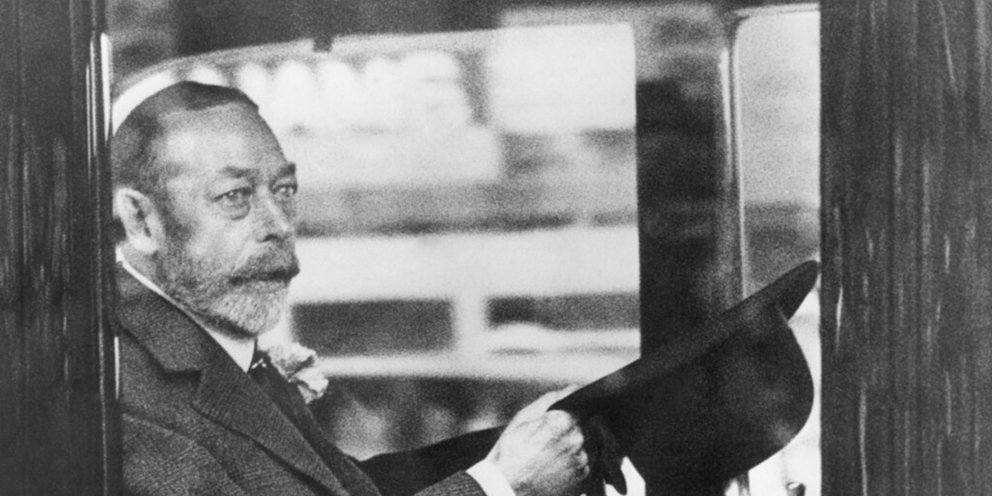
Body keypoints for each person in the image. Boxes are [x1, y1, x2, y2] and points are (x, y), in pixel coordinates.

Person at [111, 81, 592, 496]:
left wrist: (519, 443)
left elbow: (343, 486)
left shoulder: (204, 352)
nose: (278, 224)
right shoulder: (120, 396)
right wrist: (501, 482)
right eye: (234, 196)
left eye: (284, 190)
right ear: (140, 219)